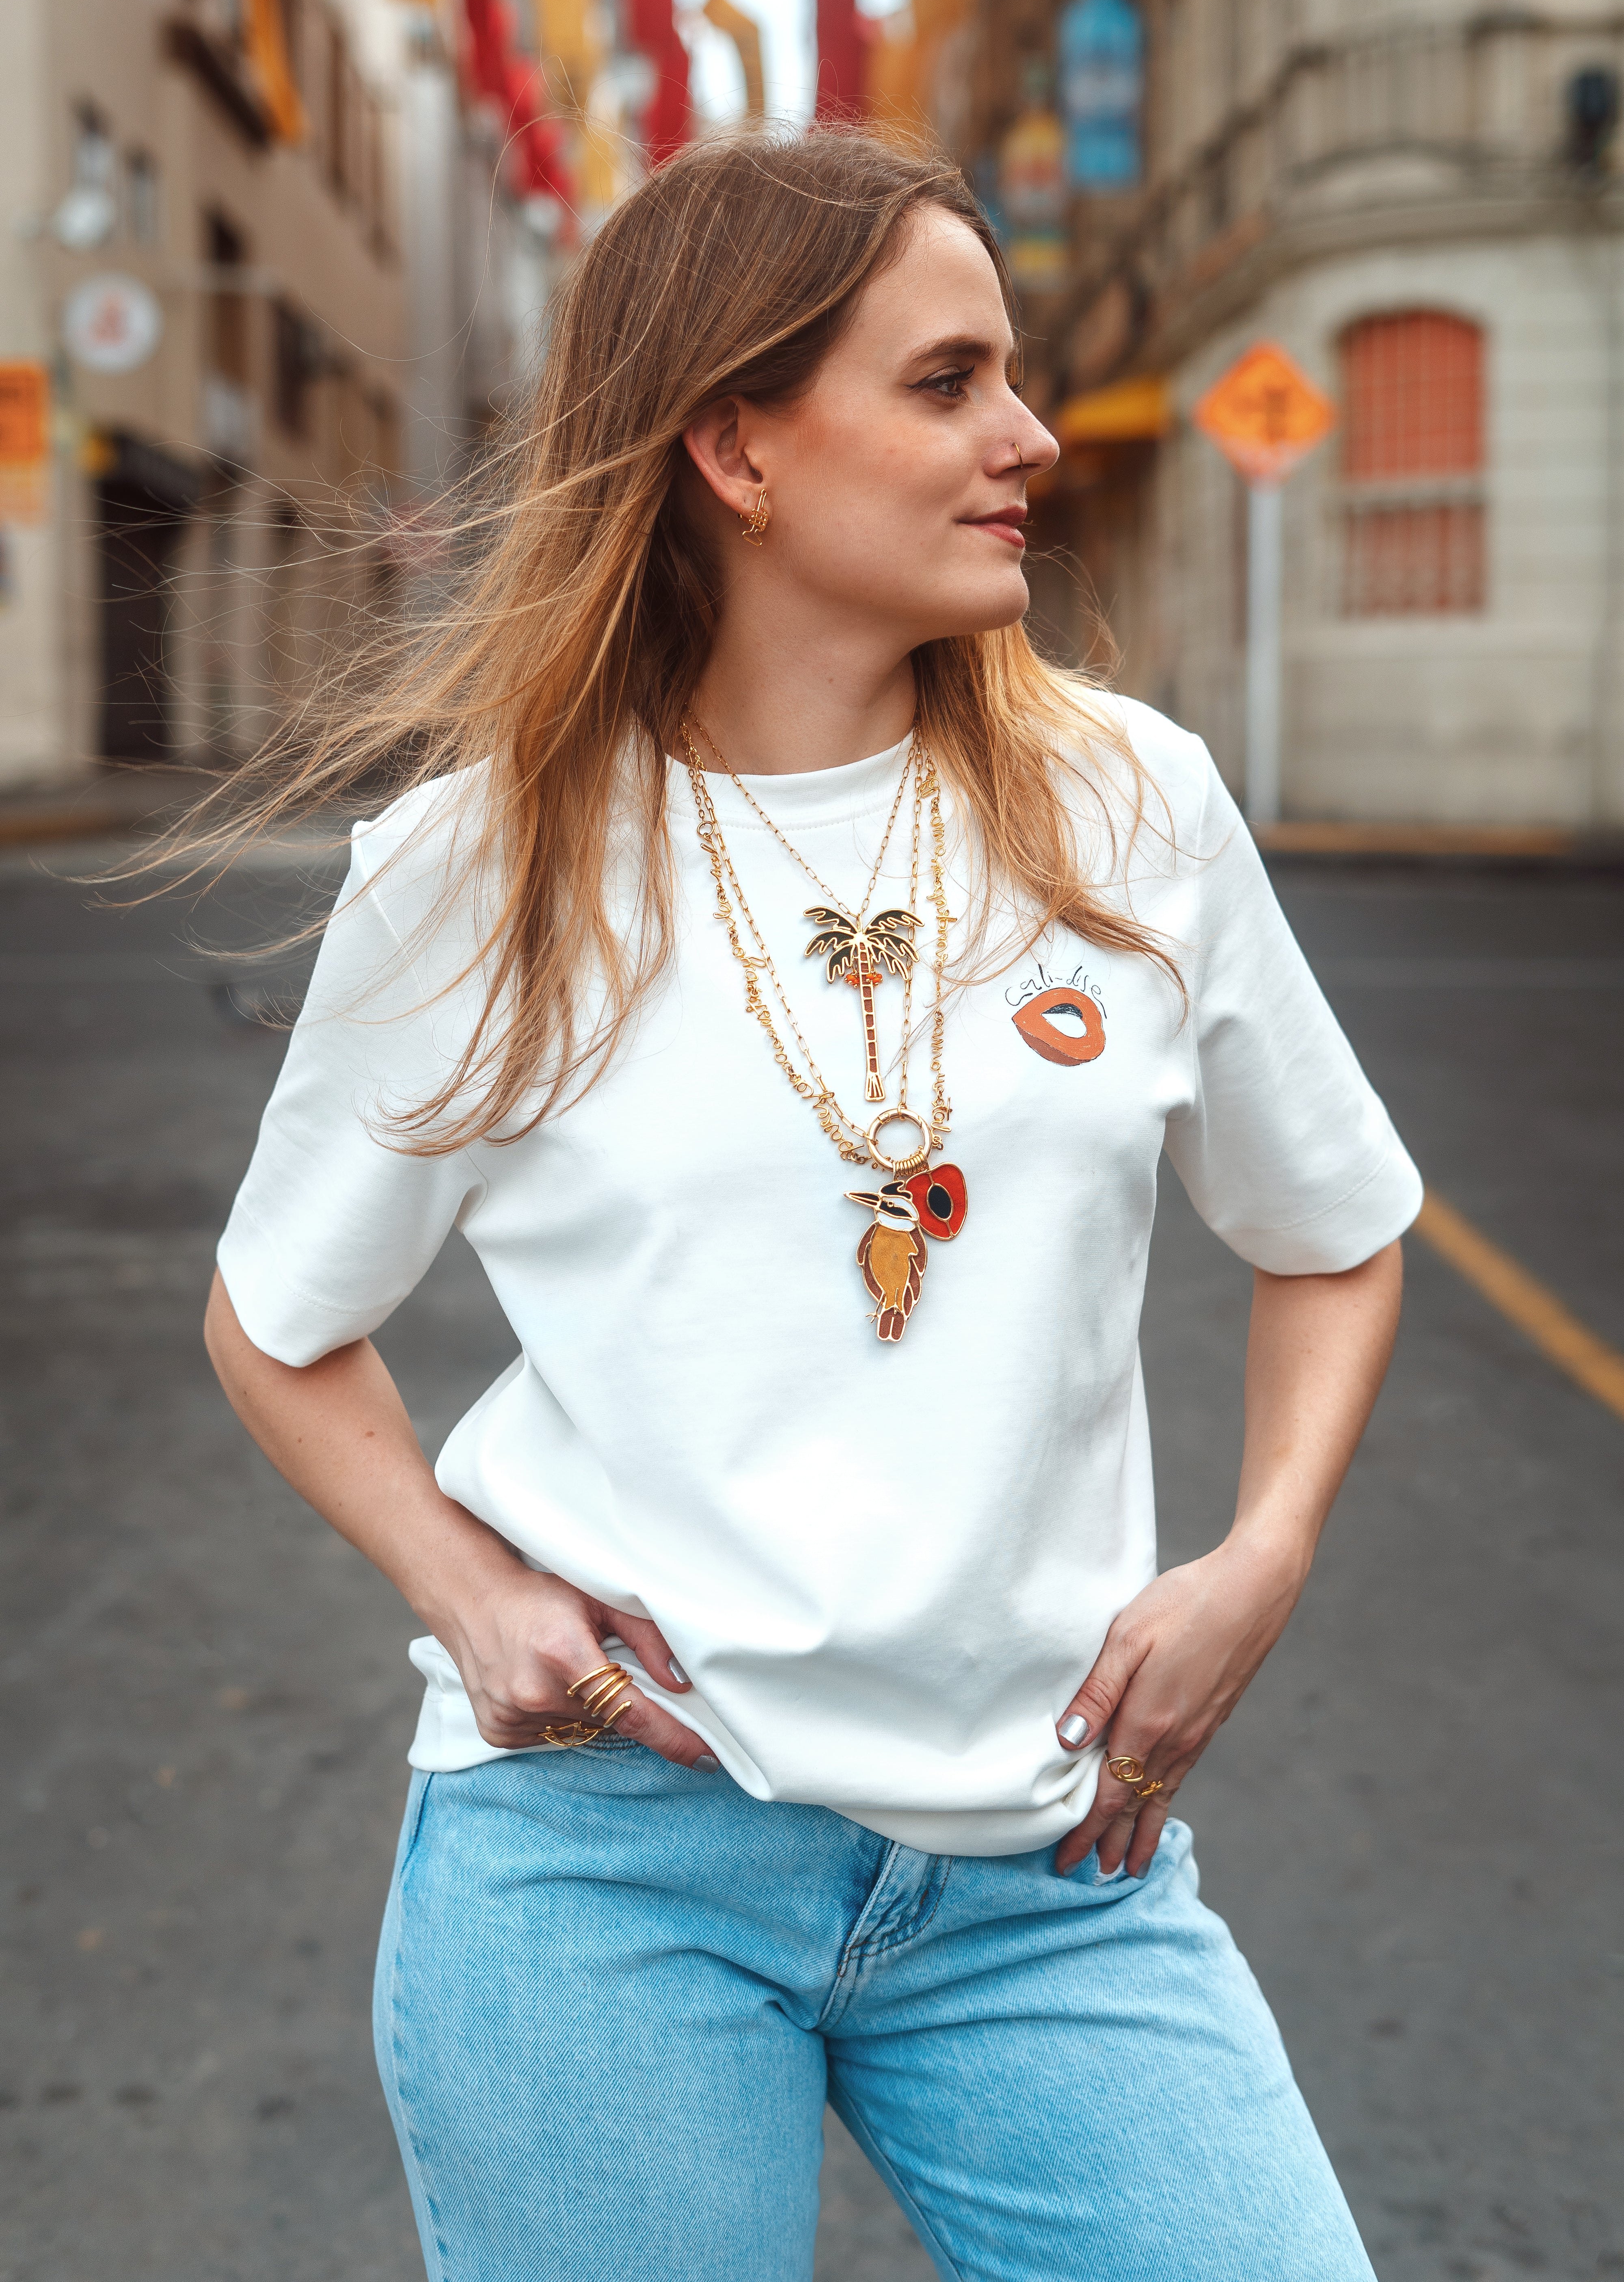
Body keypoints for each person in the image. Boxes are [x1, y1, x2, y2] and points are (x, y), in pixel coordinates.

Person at [205, 129, 1418, 2282]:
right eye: (949, 383)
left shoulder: (1132, 806)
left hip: (1048, 1876)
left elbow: (1330, 1225)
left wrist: (1267, 1554)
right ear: (737, 448)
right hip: (609, 1871)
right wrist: (474, 1599)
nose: (1028, 438)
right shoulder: (480, 869)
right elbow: (277, 1320)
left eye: (1008, 376)